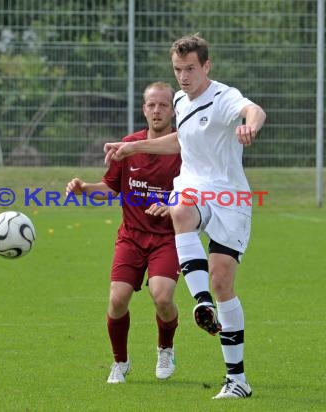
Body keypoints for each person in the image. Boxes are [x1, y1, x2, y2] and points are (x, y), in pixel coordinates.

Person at [104, 34, 267, 399]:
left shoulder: (224, 97)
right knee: (180, 210)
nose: (183, 77)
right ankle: (201, 302)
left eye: (190, 69)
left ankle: (237, 380)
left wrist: (249, 126)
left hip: (229, 196)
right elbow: (182, 141)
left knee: (224, 282)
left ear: (206, 66)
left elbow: (254, 111)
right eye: (178, 70)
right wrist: (133, 146)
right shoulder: (179, 99)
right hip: (195, 187)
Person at [66, 82, 182, 384]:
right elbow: (111, 189)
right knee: (117, 300)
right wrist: (85, 188)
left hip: (167, 238)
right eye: (151, 105)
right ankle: (120, 362)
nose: (157, 110)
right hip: (131, 236)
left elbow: (195, 193)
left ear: (173, 109)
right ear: (144, 109)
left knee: (163, 297)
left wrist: (172, 205)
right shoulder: (129, 145)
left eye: (163, 105)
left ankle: (165, 348)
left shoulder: (184, 148)